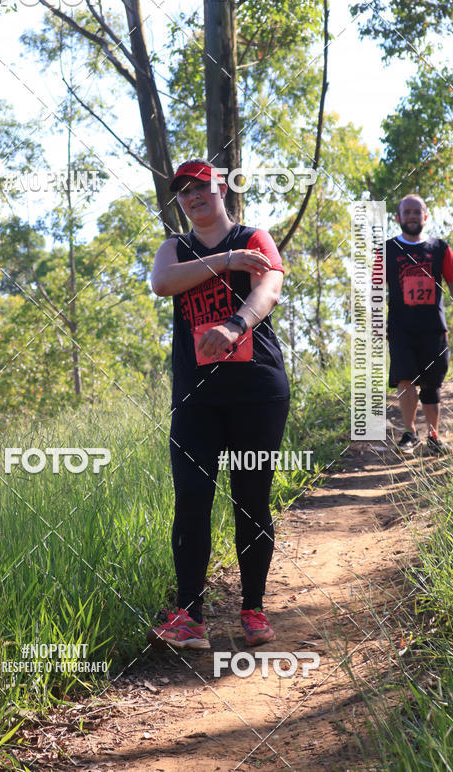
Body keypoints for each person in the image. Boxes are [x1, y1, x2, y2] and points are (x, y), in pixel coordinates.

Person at [147, 158, 290, 651]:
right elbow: (162, 283)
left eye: (201, 188)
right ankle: (190, 617)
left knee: (250, 500)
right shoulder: (176, 248)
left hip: (257, 392)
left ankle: (253, 609)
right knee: (191, 501)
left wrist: (234, 325)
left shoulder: (255, 238)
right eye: (183, 192)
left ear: (221, 189)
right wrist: (223, 263)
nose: (192, 198)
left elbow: (268, 289)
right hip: (195, 399)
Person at [385, 193, 453, 454]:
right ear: (398, 218)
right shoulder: (387, 249)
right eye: (407, 212)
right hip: (400, 329)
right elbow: (371, 287)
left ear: (425, 216)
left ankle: (434, 437)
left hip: (433, 329)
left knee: (431, 385)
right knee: (405, 379)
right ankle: (409, 433)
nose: (413, 217)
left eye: (418, 212)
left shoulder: (440, 248)